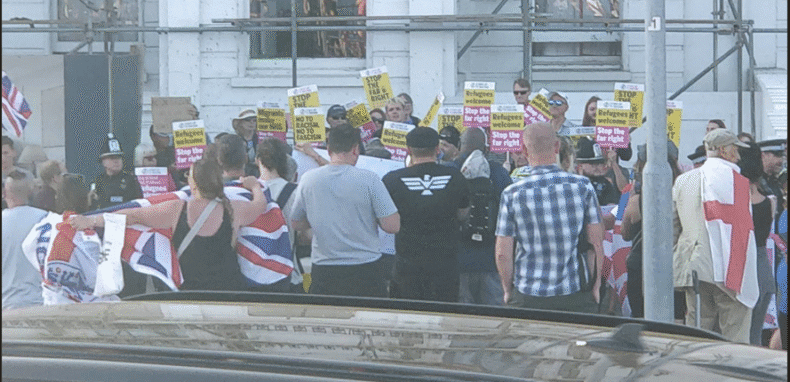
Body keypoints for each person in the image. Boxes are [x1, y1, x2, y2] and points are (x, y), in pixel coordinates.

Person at [71, 157, 268, 291]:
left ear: (192, 184)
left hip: (191, 293)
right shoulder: (234, 209)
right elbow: (260, 205)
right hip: (229, 292)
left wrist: (90, 220)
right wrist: (254, 186)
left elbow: (131, 216)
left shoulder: (176, 209)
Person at [495, 122, 603, 312]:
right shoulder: (583, 187)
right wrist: (596, 286)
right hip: (573, 292)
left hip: (527, 294)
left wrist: (507, 290)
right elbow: (596, 244)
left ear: (524, 151)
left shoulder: (512, 194)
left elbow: (503, 253)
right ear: (556, 147)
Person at [289, 124, 400, 297]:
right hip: (366, 269)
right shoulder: (369, 179)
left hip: (325, 269)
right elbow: (392, 226)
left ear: (329, 148)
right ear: (355, 150)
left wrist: (321, 217)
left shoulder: (309, 179)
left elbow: (296, 222)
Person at [672, 128, 753, 343]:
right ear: (724, 151)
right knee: (735, 331)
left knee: (697, 334)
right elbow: (744, 230)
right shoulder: (737, 182)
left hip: (693, 264)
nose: (738, 154)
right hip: (729, 267)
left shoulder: (683, 181)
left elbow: (673, 227)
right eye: (735, 149)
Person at [382, 127, 469, 302]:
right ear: (437, 149)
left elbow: (386, 220)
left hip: (407, 265)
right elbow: (463, 213)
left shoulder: (392, 179)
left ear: (408, 150)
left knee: (409, 320)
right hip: (445, 266)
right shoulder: (455, 177)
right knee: (444, 317)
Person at [622, 140, 683, 319]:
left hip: (641, 265)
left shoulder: (633, 196)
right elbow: (617, 212)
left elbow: (622, 228)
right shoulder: (682, 193)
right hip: (673, 265)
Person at [453, 127, 512, 305]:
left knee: (461, 319)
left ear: (458, 146)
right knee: (493, 317)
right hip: (491, 258)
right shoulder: (500, 173)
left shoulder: (448, 171)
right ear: (486, 149)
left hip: (457, 259)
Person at [738, 141, 777, 346]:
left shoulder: (737, 202)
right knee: (755, 333)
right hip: (763, 269)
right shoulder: (770, 201)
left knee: (740, 331)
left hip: (743, 267)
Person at [2, 171, 47, 310]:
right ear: (31, 191)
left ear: (4, 193)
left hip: (6, 304)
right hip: (41, 303)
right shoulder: (46, 220)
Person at [90, 133, 143, 210]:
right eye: (112, 158)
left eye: (118, 157)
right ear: (103, 161)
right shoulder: (98, 181)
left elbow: (139, 204)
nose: (116, 161)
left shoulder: (130, 180)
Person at [575, 137, 620, 206]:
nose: (597, 167)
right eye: (592, 164)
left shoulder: (605, 183)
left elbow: (612, 206)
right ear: (580, 165)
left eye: (599, 163)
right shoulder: (572, 183)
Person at [232, 108, 260, 177]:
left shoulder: (261, 139)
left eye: (254, 120)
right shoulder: (236, 140)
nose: (252, 123)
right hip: (241, 174)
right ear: (240, 123)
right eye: (247, 120)